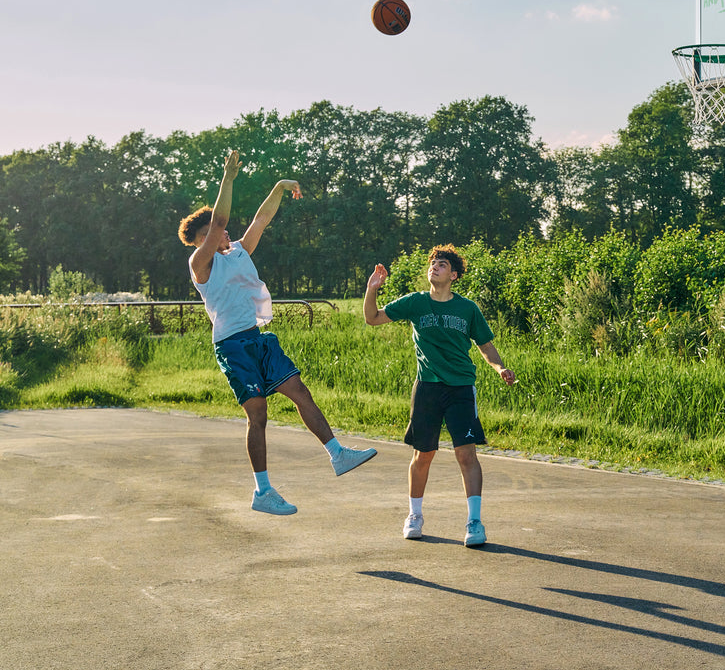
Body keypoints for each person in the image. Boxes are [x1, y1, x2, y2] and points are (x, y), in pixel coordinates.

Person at [178, 150, 376, 516]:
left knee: (300, 391)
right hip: (232, 345)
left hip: (258, 339)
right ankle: (263, 491)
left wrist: (281, 186)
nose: (220, 232)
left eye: (220, 230)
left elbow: (261, 219)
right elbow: (222, 215)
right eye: (210, 233)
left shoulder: (239, 251)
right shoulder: (200, 263)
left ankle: (338, 454)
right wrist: (229, 178)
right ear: (198, 241)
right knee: (259, 415)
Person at [363, 245, 516, 547]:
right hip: (428, 388)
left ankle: (474, 522)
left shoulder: (468, 309)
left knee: (466, 454)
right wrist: (372, 290)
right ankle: (414, 516)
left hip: (460, 388)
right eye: (433, 263)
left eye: (442, 264)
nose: (435, 267)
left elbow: (485, 346)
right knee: (423, 454)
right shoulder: (415, 303)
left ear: (454, 275)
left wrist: (499, 367)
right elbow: (372, 318)